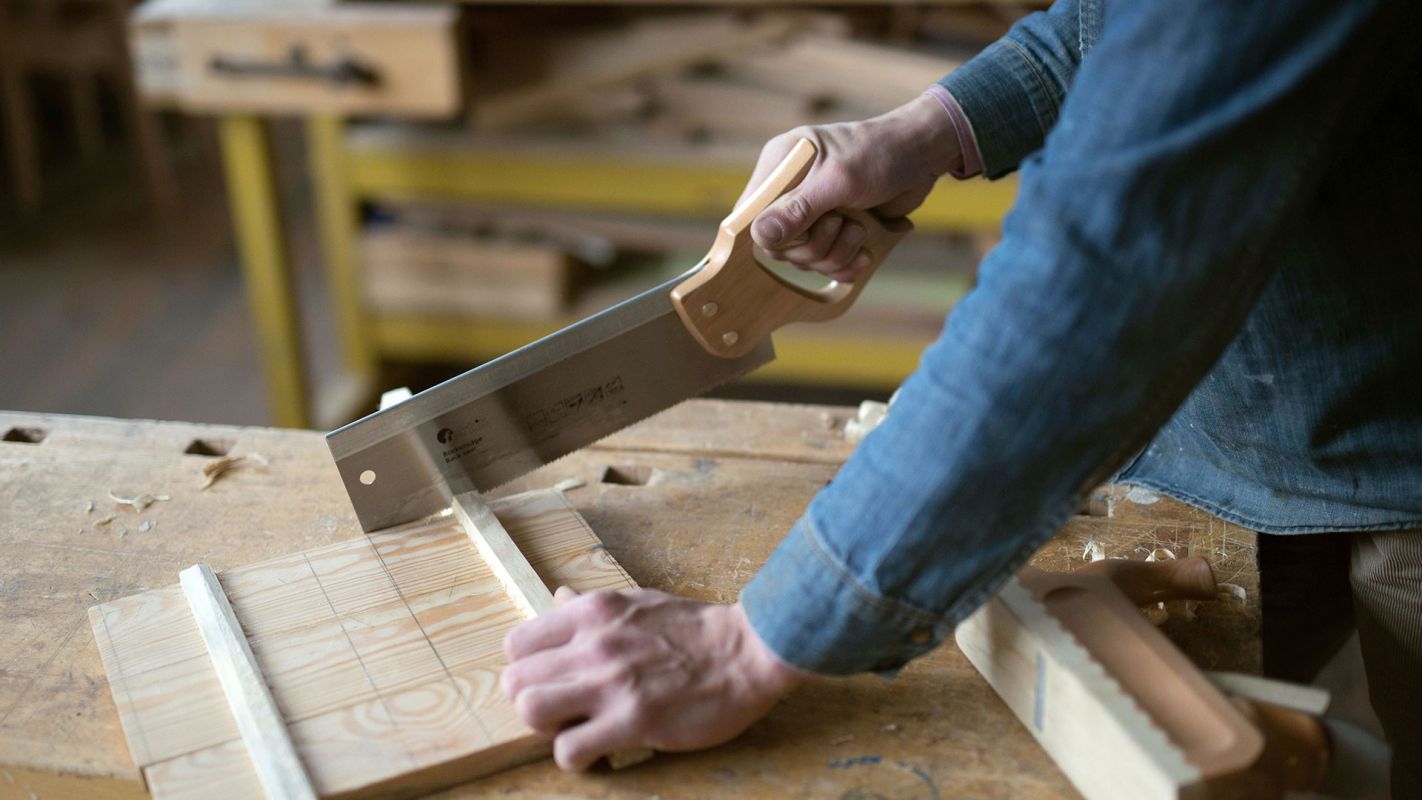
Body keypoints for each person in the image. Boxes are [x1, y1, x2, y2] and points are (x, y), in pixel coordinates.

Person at [499, 1, 1422, 793]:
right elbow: (1135, 26)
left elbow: (1101, 273)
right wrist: (940, 126)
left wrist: (758, 641)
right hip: (1259, 419)